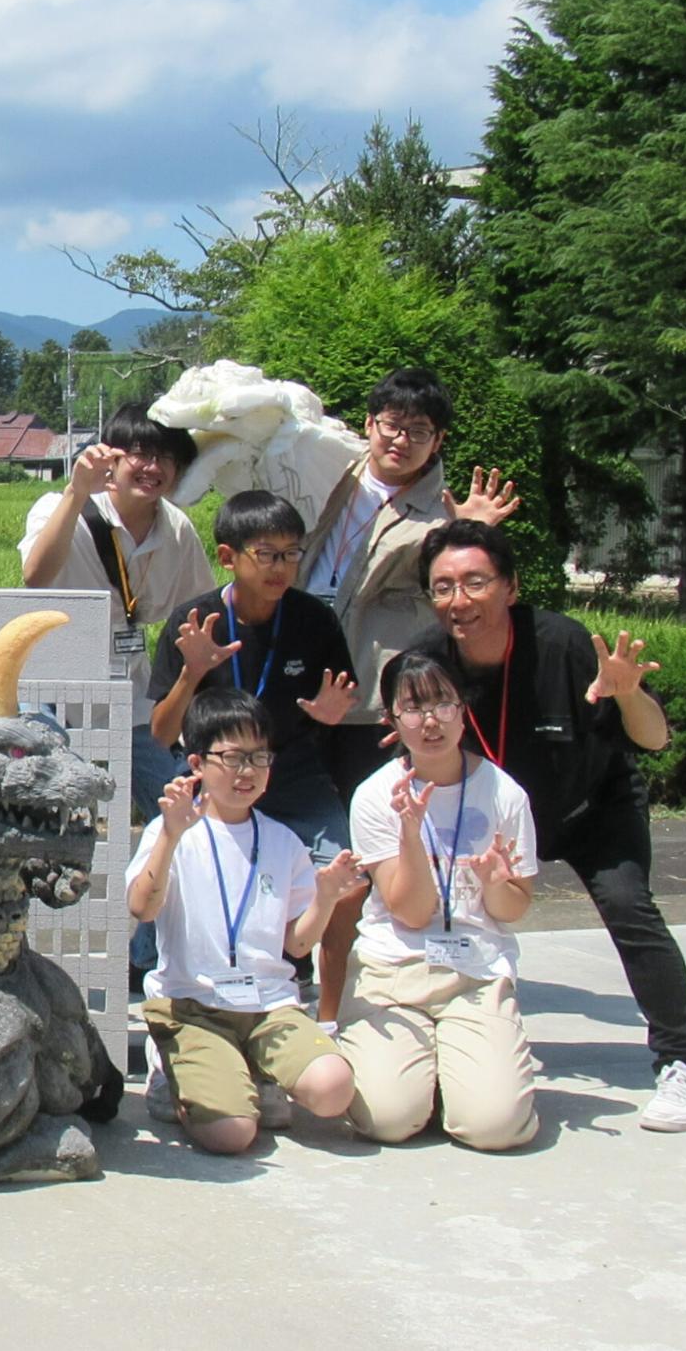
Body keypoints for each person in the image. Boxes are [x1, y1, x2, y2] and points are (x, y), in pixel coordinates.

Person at [410, 520, 686, 1133]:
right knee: (441, 914)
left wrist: (628, 695)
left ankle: (682, 1061)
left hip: (591, 805)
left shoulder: (563, 644)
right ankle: (447, 1045)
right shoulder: (427, 661)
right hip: (492, 817)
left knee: (628, 905)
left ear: (511, 587)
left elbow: (654, 739)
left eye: (475, 582)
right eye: (443, 587)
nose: (459, 600)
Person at [292, 369, 519, 1022]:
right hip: (304, 686)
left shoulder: (442, 514)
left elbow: (457, 575)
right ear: (370, 424)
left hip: (369, 702)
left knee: (361, 858)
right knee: (293, 844)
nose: (401, 439)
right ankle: (290, 976)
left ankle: (344, 1003)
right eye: (392, 424)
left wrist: (466, 531)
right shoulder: (332, 475)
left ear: (437, 440)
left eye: (419, 431)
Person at [144, 490, 360, 1010]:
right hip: (214, 776)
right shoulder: (195, 621)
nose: (280, 567)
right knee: (189, 868)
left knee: (347, 879)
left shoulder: (314, 620)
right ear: (228, 556)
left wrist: (332, 714)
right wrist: (193, 672)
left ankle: (329, 1014)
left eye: (291, 553)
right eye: (266, 554)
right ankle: (188, 984)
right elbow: (161, 732)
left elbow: (338, 700)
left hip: (292, 771)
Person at [126, 691, 364, 1154]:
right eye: (233, 758)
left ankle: (250, 1069)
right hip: (193, 1005)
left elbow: (298, 946)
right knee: (231, 1133)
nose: (248, 771)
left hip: (268, 1007)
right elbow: (143, 909)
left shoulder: (282, 841)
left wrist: (327, 898)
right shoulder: (171, 831)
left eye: (259, 757)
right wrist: (170, 836)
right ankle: (172, 1071)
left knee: (334, 1090)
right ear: (198, 762)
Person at [338, 651, 540, 1151]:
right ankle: (431, 1075)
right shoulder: (376, 796)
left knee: (495, 1127)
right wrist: (410, 833)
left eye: (443, 704)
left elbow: (514, 908)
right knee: (387, 1119)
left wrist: (496, 883)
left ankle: (460, 1073)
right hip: (392, 973)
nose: (430, 721)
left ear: (463, 709)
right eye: (413, 709)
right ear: (391, 721)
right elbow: (409, 912)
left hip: (475, 974)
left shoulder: (504, 793)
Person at [18, 401, 212, 820]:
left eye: (166, 457)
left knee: (178, 809)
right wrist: (76, 493)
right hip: (49, 693)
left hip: (130, 695)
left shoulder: (177, 529)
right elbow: (36, 574)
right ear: (111, 457)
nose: (153, 467)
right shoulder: (59, 507)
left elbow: (201, 613)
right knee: (49, 814)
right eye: (141, 453)